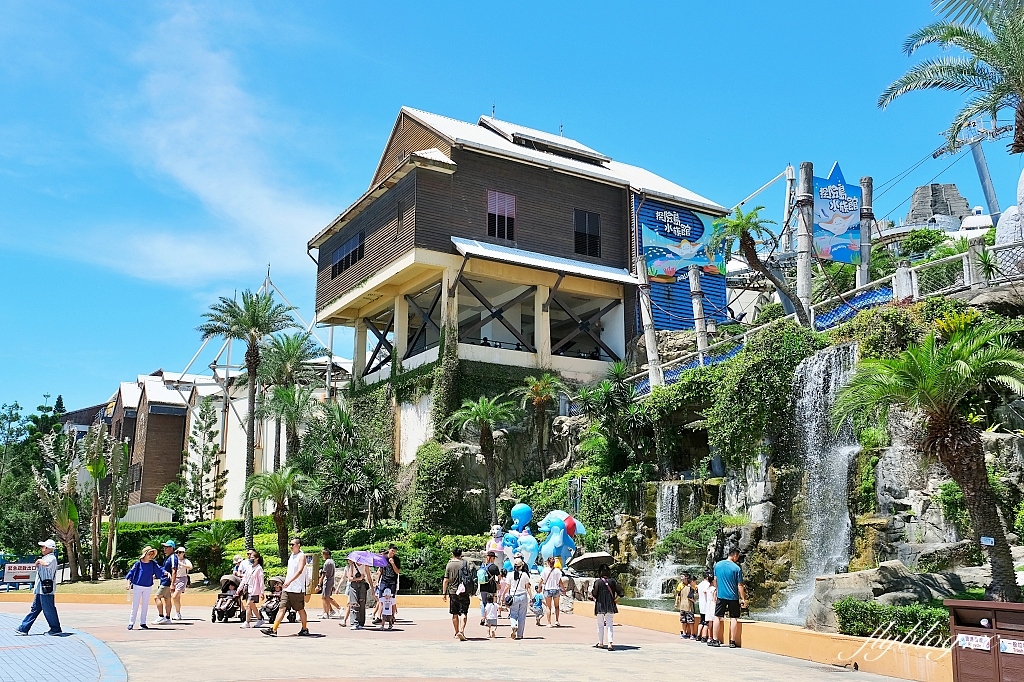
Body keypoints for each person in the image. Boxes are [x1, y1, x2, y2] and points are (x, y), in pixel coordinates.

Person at [262, 538, 311, 637]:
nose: (291, 546)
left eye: (292, 544)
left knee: (300, 609)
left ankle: (305, 628)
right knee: (282, 608)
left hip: (297, 588)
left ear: (298, 545)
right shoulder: (292, 556)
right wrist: (286, 582)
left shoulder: (301, 556)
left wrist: (289, 581)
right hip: (288, 588)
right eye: (290, 544)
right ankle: (274, 629)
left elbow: (300, 571)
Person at [15, 539, 62, 636]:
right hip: (41, 589)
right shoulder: (46, 557)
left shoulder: (51, 558)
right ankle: (24, 628)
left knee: (49, 610)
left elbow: (46, 564)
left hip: (46, 589)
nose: (42, 549)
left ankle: (55, 629)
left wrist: (39, 561)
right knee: (35, 609)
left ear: (48, 548)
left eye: (43, 547)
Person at [712, 547, 747, 649]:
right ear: (735, 555)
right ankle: (732, 641)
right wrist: (743, 598)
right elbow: (740, 585)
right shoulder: (736, 568)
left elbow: (715, 580)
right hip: (733, 597)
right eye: (738, 556)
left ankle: (715, 640)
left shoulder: (718, 565)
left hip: (721, 595)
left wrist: (716, 591)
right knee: (734, 618)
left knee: (717, 616)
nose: (737, 558)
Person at [125, 546, 166, 630]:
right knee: (135, 605)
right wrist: (128, 583)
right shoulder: (138, 563)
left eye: (152, 554)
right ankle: (131, 623)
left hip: (148, 586)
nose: (150, 555)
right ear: (145, 554)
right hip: (138, 586)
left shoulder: (153, 563)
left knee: (145, 605)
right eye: (149, 553)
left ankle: (143, 623)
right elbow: (131, 573)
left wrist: (166, 572)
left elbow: (160, 569)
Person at [592, 564, 624, 651]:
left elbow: (594, 594)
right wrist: (615, 600)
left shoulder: (597, 582)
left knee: (600, 625)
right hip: (610, 605)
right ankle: (610, 644)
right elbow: (621, 592)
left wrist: (593, 590)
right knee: (610, 624)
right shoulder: (612, 581)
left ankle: (601, 643)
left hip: (600, 606)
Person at [441, 547, 470, 641]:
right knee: (464, 612)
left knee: (454, 613)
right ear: (461, 554)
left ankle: (456, 632)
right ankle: (462, 631)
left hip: (453, 592)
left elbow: (446, 580)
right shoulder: (465, 564)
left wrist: (444, 593)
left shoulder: (449, 565)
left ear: (452, 554)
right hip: (464, 591)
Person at [505, 554, 534, 640]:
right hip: (523, 596)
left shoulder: (510, 575)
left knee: (513, 614)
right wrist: (531, 597)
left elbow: (507, 587)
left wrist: (502, 596)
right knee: (522, 616)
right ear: (521, 566)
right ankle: (520, 634)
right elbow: (527, 587)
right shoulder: (525, 575)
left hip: (514, 596)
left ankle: (514, 625)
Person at [373, 545, 401, 625]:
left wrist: (392, 563)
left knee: (392, 599)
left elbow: (397, 571)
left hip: (392, 581)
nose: (393, 553)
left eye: (395, 552)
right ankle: (379, 617)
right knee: (381, 598)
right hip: (384, 581)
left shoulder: (396, 560)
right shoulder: (383, 558)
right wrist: (377, 582)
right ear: (389, 550)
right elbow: (380, 571)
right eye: (392, 551)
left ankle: (392, 617)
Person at [342, 559, 371, 630]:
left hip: (362, 585)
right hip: (354, 585)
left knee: (362, 603)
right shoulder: (352, 565)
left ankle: (361, 623)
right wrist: (358, 578)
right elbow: (349, 578)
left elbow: (369, 577)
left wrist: (373, 589)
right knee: (354, 604)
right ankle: (354, 623)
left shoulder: (365, 565)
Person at [154, 540, 177, 624]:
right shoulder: (168, 557)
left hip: (167, 582)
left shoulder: (173, 557)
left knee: (157, 597)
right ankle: (167, 618)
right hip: (164, 580)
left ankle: (161, 616)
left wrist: (172, 584)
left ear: (172, 548)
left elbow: (174, 571)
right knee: (167, 599)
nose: (164, 549)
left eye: (166, 547)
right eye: (164, 547)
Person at [240, 551, 265, 628]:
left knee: (248, 605)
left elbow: (261, 581)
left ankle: (247, 622)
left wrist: (262, 592)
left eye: (252, 558)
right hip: (248, 589)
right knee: (252, 605)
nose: (251, 559)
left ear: (257, 559)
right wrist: (239, 588)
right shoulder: (249, 568)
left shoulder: (259, 568)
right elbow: (245, 579)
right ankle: (260, 619)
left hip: (254, 590)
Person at [477, 551, 501, 626]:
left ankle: (483, 618)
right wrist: (498, 582)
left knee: (484, 603)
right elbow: (499, 576)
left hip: (483, 587)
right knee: (490, 603)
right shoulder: (494, 567)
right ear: (492, 558)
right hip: (491, 588)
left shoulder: (482, 566)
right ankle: (489, 619)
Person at [539, 556, 563, 627]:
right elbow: (560, 581)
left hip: (548, 589)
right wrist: (563, 589)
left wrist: (539, 587)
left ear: (548, 562)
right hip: (556, 589)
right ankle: (557, 621)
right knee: (557, 606)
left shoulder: (545, 570)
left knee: (548, 607)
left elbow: (541, 580)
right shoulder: (558, 571)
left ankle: (549, 623)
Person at [170, 546, 192, 621]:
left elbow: (190, 567)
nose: (178, 554)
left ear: (183, 553)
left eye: (179, 552)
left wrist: (181, 564)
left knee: (174, 597)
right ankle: (178, 613)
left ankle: (178, 614)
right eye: (177, 552)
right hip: (175, 579)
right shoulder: (174, 560)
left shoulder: (185, 560)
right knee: (177, 598)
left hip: (182, 579)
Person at [675, 573, 697, 640]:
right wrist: (676, 602)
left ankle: (689, 634)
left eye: (683, 577)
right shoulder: (683, 586)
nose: (681, 578)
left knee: (688, 621)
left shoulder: (690, 586)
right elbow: (678, 595)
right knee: (685, 621)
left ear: (687, 577)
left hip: (685, 606)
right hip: (686, 606)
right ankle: (688, 634)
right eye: (681, 577)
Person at [319, 549, 338, 620]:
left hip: (327, 581)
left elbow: (323, 574)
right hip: (331, 580)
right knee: (326, 597)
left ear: (326, 554)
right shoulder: (332, 562)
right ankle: (329, 611)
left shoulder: (327, 563)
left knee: (324, 597)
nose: (322, 556)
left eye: (322, 554)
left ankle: (325, 613)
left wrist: (319, 584)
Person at [697, 571, 716, 643]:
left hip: (701, 605)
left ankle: (698, 635)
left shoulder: (700, 584)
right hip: (707, 605)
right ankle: (704, 637)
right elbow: (705, 591)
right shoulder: (708, 585)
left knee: (701, 621)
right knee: (706, 622)